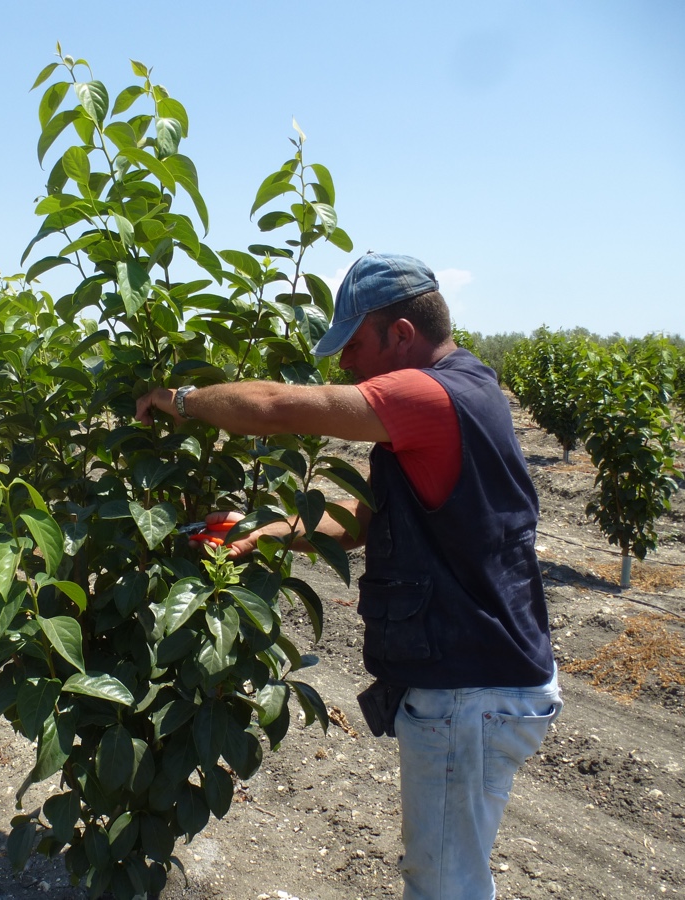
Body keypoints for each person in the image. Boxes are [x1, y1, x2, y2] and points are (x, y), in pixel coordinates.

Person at [135, 252, 561, 900]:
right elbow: (365, 518)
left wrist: (180, 399)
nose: (344, 364)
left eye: (354, 344)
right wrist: (269, 531)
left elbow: (279, 408)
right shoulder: (473, 387)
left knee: (444, 884)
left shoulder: (432, 393)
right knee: (451, 872)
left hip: (468, 694)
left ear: (400, 335)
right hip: (486, 681)